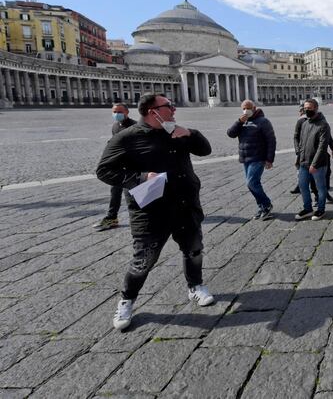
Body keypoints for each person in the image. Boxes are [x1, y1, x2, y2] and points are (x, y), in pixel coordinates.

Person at [96, 94, 214, 331]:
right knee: (143, 260)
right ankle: (127, 300)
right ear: (152, 111)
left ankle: (195, 286)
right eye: (168, 106)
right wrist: (139, 178)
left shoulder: (177, 131)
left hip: (184, 204)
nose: (173, 109)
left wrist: (191, 134)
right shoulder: (126, 138)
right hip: (150, 211)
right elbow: (104, 171)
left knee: (193, 249)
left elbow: (205, 150)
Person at [226, 99, 277, 220]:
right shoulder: (242, 122)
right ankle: (262, 207)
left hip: (258, 157)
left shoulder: (263, 121)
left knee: (251, 183)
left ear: (254, 108)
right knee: (252, 184)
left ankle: (267, 204)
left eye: (248, 108)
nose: (245, 110)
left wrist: (269, 159)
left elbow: (271, 140)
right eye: (243, 108)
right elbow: (230, 133)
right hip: (245, 158)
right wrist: (239, 122)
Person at [94, 103, 137, 231]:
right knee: (115, 191)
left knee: (135, 194)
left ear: (127, 112)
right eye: (114, 111)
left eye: (119, 111)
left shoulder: (134, 126)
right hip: (119, 165)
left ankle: (148, 217)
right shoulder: (115, 126)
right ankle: (112, 217)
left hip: (131, 166)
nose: (116, 114)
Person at [294, 98, 331, 220]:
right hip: (304, 162)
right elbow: (301, 142)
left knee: (320, 188)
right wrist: (299, 158)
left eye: (309, 108)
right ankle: (308, 208)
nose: (306, 110)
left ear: (316, 108)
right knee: (303, 186)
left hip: (318, 164)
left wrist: (314, 164)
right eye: (305, 108)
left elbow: (322, 146)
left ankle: (321, 210)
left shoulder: (323, 125)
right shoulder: (304, 123)